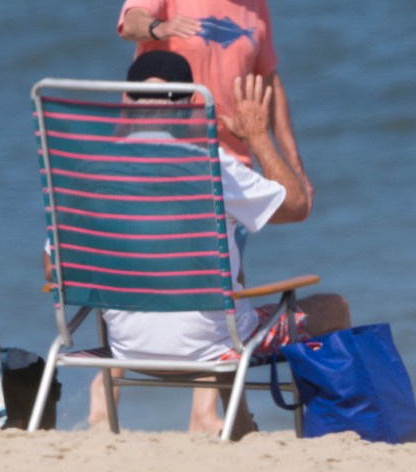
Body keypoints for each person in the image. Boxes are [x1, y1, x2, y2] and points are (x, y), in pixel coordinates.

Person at [43, 51, 349, 437]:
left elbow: (54, 268)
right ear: (188, 106)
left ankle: (241, 429)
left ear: (125, 101)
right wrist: (256, 135)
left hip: (127, 350)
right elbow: (297, 205)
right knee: (332, 308)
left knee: (225, 300)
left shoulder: (89, 173)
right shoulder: (212, 165)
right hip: (213, 349)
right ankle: (336, 434)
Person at [116, 0, 312, 215]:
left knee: (228, 257)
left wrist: (295, 165)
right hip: (164, 152)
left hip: (230, 166)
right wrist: (159, 27)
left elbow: (269, 82)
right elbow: (130, 23)